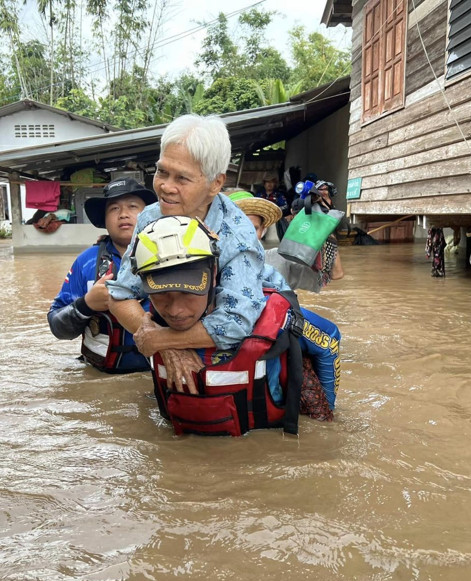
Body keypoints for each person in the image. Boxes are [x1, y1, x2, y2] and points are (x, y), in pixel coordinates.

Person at [108, 114, 290, 388]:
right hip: (189, 318)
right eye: (162, 172)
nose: (166, 187)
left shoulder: (236, 231)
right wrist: (167, 343)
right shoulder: (149, 219)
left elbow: (237, 320)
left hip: (255, 301)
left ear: (215, 184)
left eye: (182, 178)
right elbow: (120, 295)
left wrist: (162, 339)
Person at [130, 216, 342, 436]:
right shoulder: (146, 325)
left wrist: (325, 417)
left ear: (213, 275)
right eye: (161, 294)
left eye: (188, 292)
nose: (175, 310)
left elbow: (329, 340)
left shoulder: (268, 314)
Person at [47, 177, 157, 373]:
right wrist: (86, 304)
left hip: (155, 376)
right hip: (101, 376)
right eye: (114, 209)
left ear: (150, 214)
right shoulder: (86, 262)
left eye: (132, 206)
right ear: (104, 220)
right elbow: (57, 327)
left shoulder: (172, 255)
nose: (123, 214)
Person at [255, 171, 290, 239]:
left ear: (275, 184)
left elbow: (285, 206)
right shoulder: (259, 195)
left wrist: (274, 209)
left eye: (272, 182)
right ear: (264, 184)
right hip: (262, 220)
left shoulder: (279, 195)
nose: (269, 184)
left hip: (276, 221)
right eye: (267, 182)